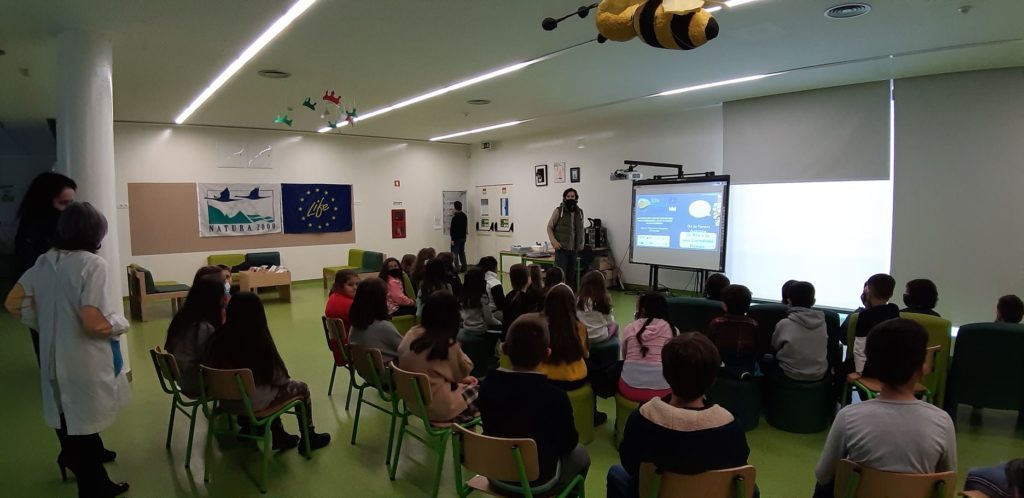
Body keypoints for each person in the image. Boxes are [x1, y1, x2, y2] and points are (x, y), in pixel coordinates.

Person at [5, 202, 129, 497]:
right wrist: (119, 323)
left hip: (52, 355)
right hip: (82, 359)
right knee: (83, 418)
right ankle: (94, 487)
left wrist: (47, 324)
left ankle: (78, 457)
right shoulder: (92, 264)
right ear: (95, 233)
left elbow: (13, 303)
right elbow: (93, 321)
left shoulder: (44, 261)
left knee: (66, 414)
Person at [813, 319, 956, 497]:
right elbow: (947, 482)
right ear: (922, 369)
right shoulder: (942, 422)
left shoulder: (848, 417)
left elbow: (823, 475)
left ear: (872, 365)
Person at [607, 333, 752, 498]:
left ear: (665, 374)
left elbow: (630, 465)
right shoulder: (731, 426)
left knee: (616, 472)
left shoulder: (642, 418)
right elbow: (740, 464)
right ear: (713, 379)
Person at [477, 314, 591, 489]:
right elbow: (568, 444)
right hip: (540, 480)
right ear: (547, 354)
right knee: (582, 454)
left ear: (505, 348)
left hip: (496, 474)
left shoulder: (486, 387)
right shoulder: (556, 397)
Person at [207, 292, 331, 452]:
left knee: (266, 390)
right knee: (300, 388)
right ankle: (309, 437)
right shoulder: (258, 342)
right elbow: (280, 379)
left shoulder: (216, 339)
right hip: (253, 405)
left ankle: (271, 433)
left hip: (226, 402)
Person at [13, 172, 77, 364]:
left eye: (71, 204)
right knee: (51, 355)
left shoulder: (62, 229)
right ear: (45, 202)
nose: (68, 210)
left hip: (62, 302)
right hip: (44, 302)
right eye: (63, 203)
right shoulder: (33, 234)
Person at [398, 291, 479, 423]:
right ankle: (466, 432)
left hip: (414, 403)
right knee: (484, 393)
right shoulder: (445, 344)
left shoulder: (412, 333)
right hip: (438, 408)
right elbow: (464, 370)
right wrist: (458, 349)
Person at [165, 274, 226, 396]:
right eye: (222, 295)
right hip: (196, 382)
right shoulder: (203, 327)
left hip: (182, 377)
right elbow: (213, 360)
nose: (224, 299)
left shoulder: (182, 318)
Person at [619, 292, 679, 403]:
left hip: (630, 389)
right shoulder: (673, 330)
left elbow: (624, 357)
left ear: (642, 310)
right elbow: (675, 362)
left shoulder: (630, 328)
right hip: (663, 392)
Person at [537, 284, 591, 392]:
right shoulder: (579, 327)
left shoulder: (540, 324)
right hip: (576, 378)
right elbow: (586, 354)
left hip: (546, 378)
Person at [770, 281, 828, 381]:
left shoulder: (784, 324)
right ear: (814, 301)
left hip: (790, 374)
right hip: (819, 375)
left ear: (789, 301)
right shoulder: (823, 323)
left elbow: (775, 346)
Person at [707, 284, 760, 379]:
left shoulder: (716, 323)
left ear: (724, 306)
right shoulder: (754, 324)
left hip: (722, 361)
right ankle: (740, 373)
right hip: (746, 363)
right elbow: (756, 347)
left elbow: (710, 344)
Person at [852, 273, 900, 376]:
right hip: (891, 365)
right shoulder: (894, 309)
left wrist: (859, 371)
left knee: (840, 370)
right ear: (891, 294)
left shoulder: (865, 315)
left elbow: (860, 346)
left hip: (870, 366)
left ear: (868, 291)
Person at [349, 278, 404, 364]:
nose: (389, 300)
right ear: (379, 301)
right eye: (386, 297)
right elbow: (406, 350)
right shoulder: (384, 327)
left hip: (368, 370)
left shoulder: (354, 325)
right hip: (389, 369)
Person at [546, 188, 584, 287]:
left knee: (571, 276)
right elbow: (549, 227)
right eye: (568, 196)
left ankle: (568, 294)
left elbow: (581, 229)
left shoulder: (579, 212)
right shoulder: (559, 211)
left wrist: (581, 243)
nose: (570, 198)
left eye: (572, 196)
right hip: (561, 249)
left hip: (573, 250)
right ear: (564, 198)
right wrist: (554, 241)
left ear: (576, 198)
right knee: (560, 276)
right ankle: (558, 293)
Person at [501, 264, 543, 340]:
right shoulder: (529, 299)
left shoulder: (508, 296)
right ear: (528, 279)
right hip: (523, 339)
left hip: (507, 336)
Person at [577, 270, 617, 344]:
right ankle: (614, 347)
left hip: (582, 336)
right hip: (600, 337)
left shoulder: (578, 300)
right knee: (615, 325)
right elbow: (609, 322)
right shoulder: (603, 300)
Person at [460, 267, 501, 334]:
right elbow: (489, 320)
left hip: (466, 327)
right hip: (480, 330)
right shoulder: (482, 298)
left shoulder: (464, 297)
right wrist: (500, 323)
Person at [478, 256, 505, 321]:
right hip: (492, 314)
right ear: (495, 268)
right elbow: (501, 305)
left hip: (477, 314)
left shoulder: (476, 280)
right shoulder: (495, 283)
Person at [450, 201, 469, 272]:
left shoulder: (455, 218)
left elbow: (453, 229)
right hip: (463, 237)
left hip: (456, 238)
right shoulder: (464, 216)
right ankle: (464, 268)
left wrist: (452, 239)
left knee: (454, 253)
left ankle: (457, 269)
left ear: (455, 208)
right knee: (462, 253)